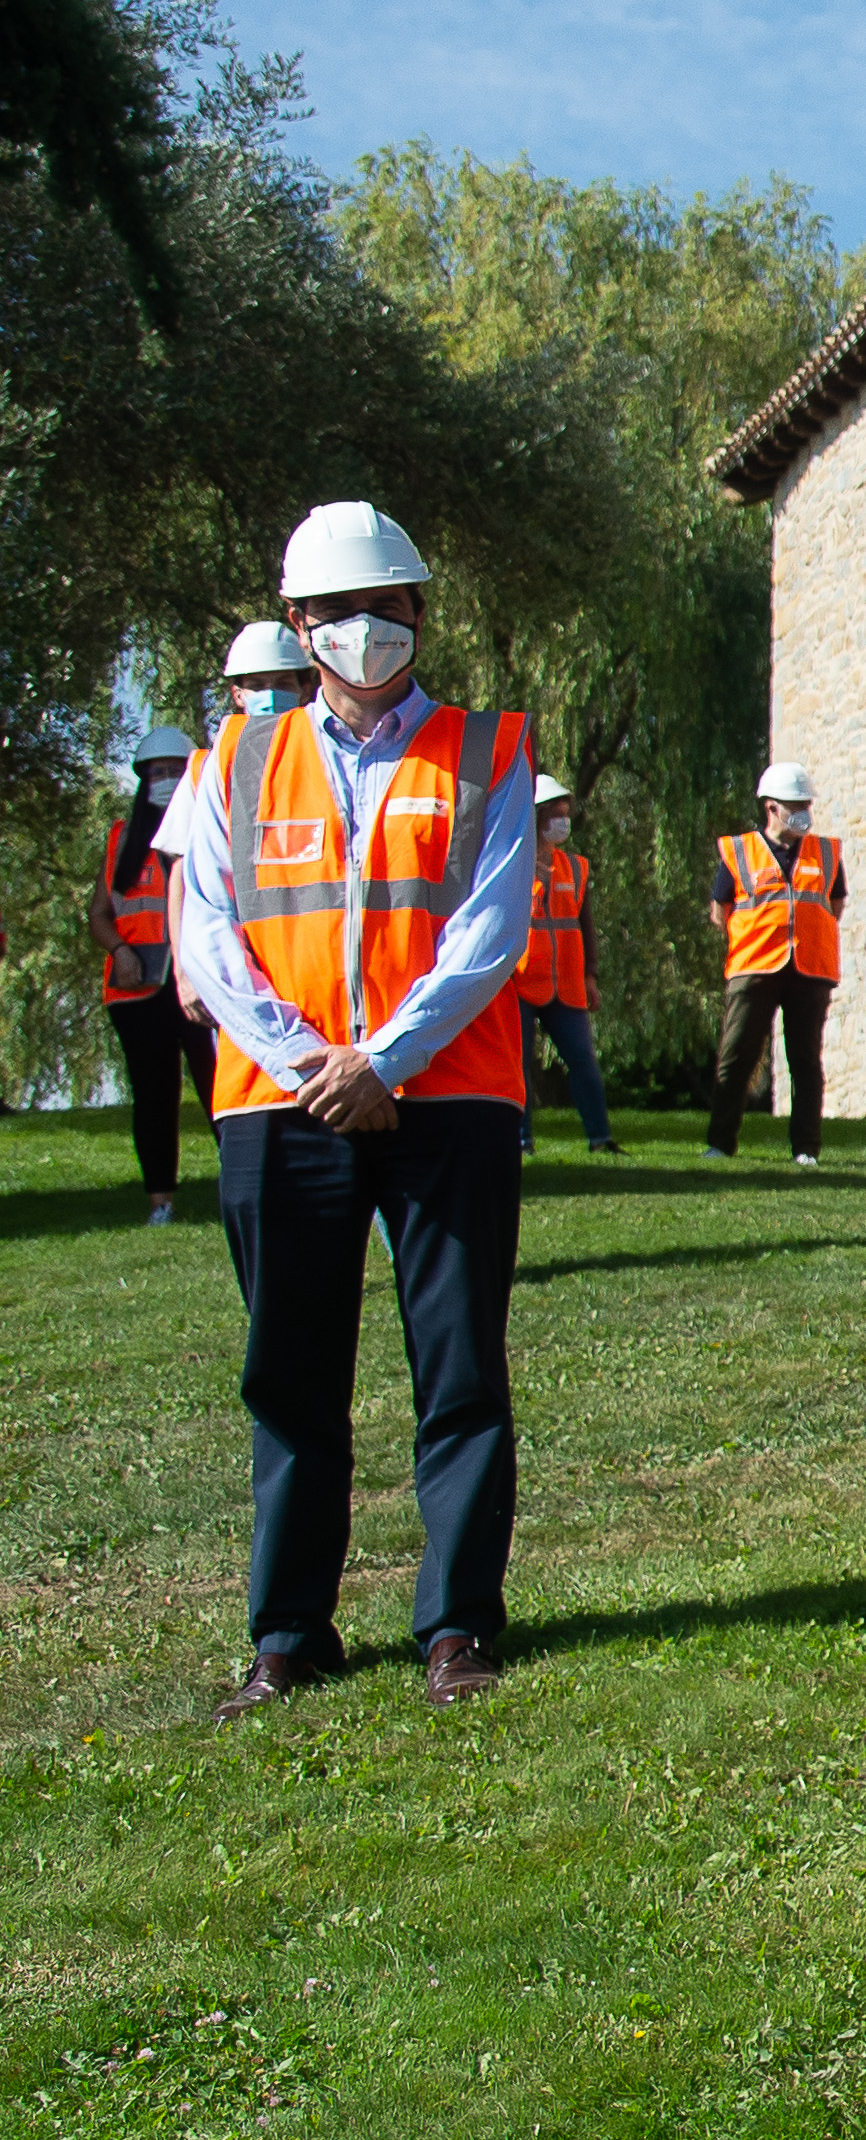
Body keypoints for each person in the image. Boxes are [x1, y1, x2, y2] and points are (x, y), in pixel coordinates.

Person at [171, 502, 534, 1717]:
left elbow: (491, 929)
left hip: (450, 1093)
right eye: (332, 612)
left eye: (382, 606)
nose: (360, 629)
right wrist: (308, 1061)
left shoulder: (488, 750)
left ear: (422, 612)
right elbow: (205, 934)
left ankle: (459, 1625)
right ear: (296, 624)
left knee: (461, 1366)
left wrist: (382, 1055)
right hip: (279, 1106)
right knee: (290, 1371)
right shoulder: (233, 759)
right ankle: (287, 1634)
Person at [87, 726, 211, 1225]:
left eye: (174, 771)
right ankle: (160, 1201)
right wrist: (118, 949)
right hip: (137, 988)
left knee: (217, 1085)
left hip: (199, 982)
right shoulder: (122, 838)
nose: (165, 780)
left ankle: (247, 1185)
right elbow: (98, 913)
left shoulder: (210, 824)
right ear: (142, 780)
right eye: (156, 772)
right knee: (154, 1096)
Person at [705, 764, 843, 1165]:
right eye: (794, 805)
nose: (803, 811)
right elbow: (720, 909)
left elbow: (835, 904)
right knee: (737, 1057)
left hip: (809, 968)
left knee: (805, 1063)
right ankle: (720, 1142)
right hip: (753, 967)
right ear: (771, 808)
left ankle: (806, 1149)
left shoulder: (827, 851)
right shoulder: (739, 851)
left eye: (806, 804)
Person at [509, 774, 619, 1155]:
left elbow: (586, 926)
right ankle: (521, 1140)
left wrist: (591, 976)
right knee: (517, 1066)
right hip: (520, 981)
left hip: (566, 982)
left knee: (583, 1062)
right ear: (536, 816)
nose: (563, 820)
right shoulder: (510, 861)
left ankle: (600, 1138)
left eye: (565, 812)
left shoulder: (575, 867)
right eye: (555, 813)